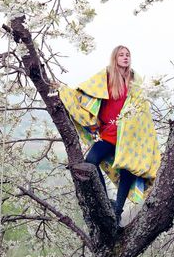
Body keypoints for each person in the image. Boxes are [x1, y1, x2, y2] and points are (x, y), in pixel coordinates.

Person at [57, 45, 161, 227]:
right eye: (121, 55)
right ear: (115, 58)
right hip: (109, 133)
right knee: (91, 161)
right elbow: (87, 91)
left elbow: (142, 110)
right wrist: (63, 90)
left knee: (128, 168)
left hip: (129, 136)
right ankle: (105, 201)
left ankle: (117, 210)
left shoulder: (135, 80)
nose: (125, 57)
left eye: (128, 55)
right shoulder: (105, 76)